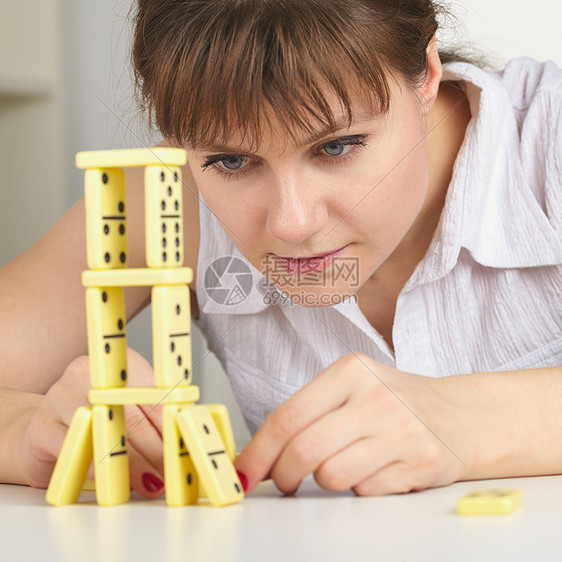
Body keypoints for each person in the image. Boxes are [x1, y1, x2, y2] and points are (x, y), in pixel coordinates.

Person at [1, 0, 561, 499]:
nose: (291, 224)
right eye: (232, 162)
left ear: (426, 75)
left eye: (337, 146)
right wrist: (28, 430)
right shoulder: (165, 202)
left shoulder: (548, 139)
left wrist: (468, 422)